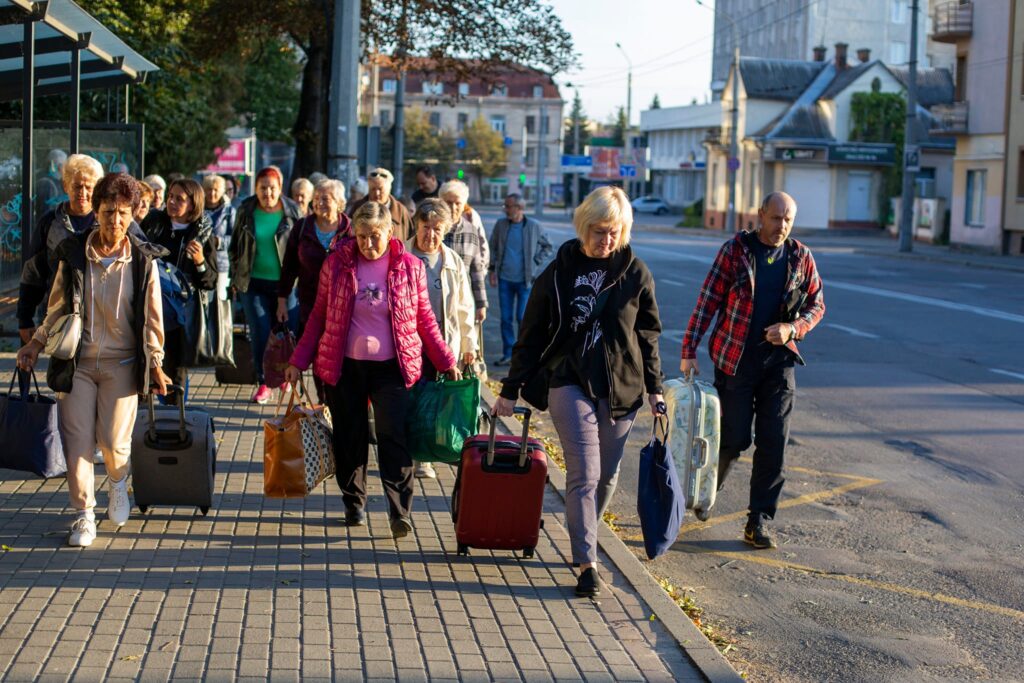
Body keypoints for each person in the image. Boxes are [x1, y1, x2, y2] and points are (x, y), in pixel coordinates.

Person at [494, 186, 664, 598]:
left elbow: (648, 335)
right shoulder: (558, 272)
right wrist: (510, 390)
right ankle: (587, 562)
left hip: (621, 388)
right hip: (568, 382)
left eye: (614, 231)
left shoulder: (635, 272)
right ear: (583, 225)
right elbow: (531, 335)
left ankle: (583, 528)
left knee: (606, 477)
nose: (605, 240)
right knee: (584, 475)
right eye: (599, 230)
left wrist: (656, 389)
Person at [284, 202, 459, 539]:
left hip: (393, 368)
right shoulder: (336, 264)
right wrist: (297, 362)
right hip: (344, 366)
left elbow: (425, 320)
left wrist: (446, 360)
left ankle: (399, 510)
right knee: (350, 436)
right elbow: (318, 316)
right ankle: (354, 501)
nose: (367, 244)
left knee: (394, 436)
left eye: (374, 236)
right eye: (361, 237)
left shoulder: (409, 267)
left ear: (389, 233)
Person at [15, 172, 172, 548]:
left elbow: (152, 318)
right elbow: (55, 309)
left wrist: (156, 362)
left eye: (121, 213)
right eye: (106, 212)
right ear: (96, 213)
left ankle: (119, 484)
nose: (114, 221)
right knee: (77, 442)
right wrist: (35, 344)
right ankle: (83, 514)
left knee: (114, 443)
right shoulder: (73, 254)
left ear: (132, 213)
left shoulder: (141, 261)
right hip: (78, 365)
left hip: (121, 366)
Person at [680, 191, 825, 550]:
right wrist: (689, 349)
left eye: (788, 220)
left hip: (779, 364)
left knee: (774, 442)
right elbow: (707, 300)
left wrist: (793, 329)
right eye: (776, 219)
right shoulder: (736, 251)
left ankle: (758, 520)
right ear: (760, 215)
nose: (782, 226)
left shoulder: (800, 256)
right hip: (735, 361)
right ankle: (707, 490)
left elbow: (817, 304)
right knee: (734, 439)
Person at [405, 198, 477, 480]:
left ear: (445, 230)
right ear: (416, 225)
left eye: (437, 229)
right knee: (411, 398)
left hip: (443, 343)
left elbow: (464, 306)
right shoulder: (403, 255)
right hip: (409, 342)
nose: (430, 234)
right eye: (426, 227)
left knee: (435, 401)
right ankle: (409, 450)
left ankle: (425, 457)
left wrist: (470, 345)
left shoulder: (452, 261)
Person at [229, 166, 302, 404]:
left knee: (286, 333)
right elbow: (236, 246)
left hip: (286, 284)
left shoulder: (292, 211)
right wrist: (234, 276)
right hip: (253, 283)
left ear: (280, 188)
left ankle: (285, 377)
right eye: (262, 188)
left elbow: (300, 247)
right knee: (260, 332)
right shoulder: (246, 209)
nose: (267, 193)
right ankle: (264, 382)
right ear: (256, 189)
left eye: (272, 188)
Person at [142, 178, 218, 401]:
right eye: (170, 197)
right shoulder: (155, 223)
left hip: (178, 315)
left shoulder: (201, 234)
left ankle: (175, 424)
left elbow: (210, 280)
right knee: (145, 369)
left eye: (180, 199)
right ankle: (144, 424)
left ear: (193, 205)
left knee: (174, 373)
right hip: (149, 307)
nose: (172, 202)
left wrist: (199, 261)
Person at [18, 154, 107, 346]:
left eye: (88, 187)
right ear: (66, 186)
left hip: (101, 316)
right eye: (77, 186)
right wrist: (24, 318)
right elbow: (33, 272)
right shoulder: (50, 222)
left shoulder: (109, 220)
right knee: (62, 373)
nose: (82, 192)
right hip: (58, 315)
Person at [276, 178, 350, 401]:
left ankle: (339, 400)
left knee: (340, 356)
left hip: (343, 307)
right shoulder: (302, 227)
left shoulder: (350, 230)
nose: (319, 203)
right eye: (316, 198)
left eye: (325, 199)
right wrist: (282, 299)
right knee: (318, 354)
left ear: (339, 202)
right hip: (310, 303)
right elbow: (289, 266)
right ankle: (323, 400)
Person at [489, 193, 553, 366]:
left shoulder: (533, 226)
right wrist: (492, 270)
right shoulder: (501, 225)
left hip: (525, 281)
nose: (505, 209)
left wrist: (535, 263)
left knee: (523, 319)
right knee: (506, 319)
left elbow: (548, 246)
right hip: (504, 279)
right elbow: (492, 247)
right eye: (505, 206)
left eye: (508, 206)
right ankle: (508, 353)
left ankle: (523, 355)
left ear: (519, 208)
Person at [439, 179, 489, 325]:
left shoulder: (471, 230)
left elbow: (476, 269)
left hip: (463, 299)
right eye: (448, 202)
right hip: (435, 298)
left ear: (464, 205)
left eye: (458, 203)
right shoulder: (433, 229)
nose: (453, 207)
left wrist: (481, 304)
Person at [346, 168, 412, 241]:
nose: (377, 193)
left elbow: (410, 238)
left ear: (389, 189)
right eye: (373, 189)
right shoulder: (358, 207)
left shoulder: (401, 211)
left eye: (381, 189)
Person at [203, 174, 236, 301]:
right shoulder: (198, 210)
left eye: (216, 190)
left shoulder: (229, 211)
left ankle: (221, 321)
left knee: (220, 296)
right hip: (202, 260)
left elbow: (235, 239)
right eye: (209, 189)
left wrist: (218, 242)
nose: (212, 193)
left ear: (222, 191)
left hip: (221, 262)